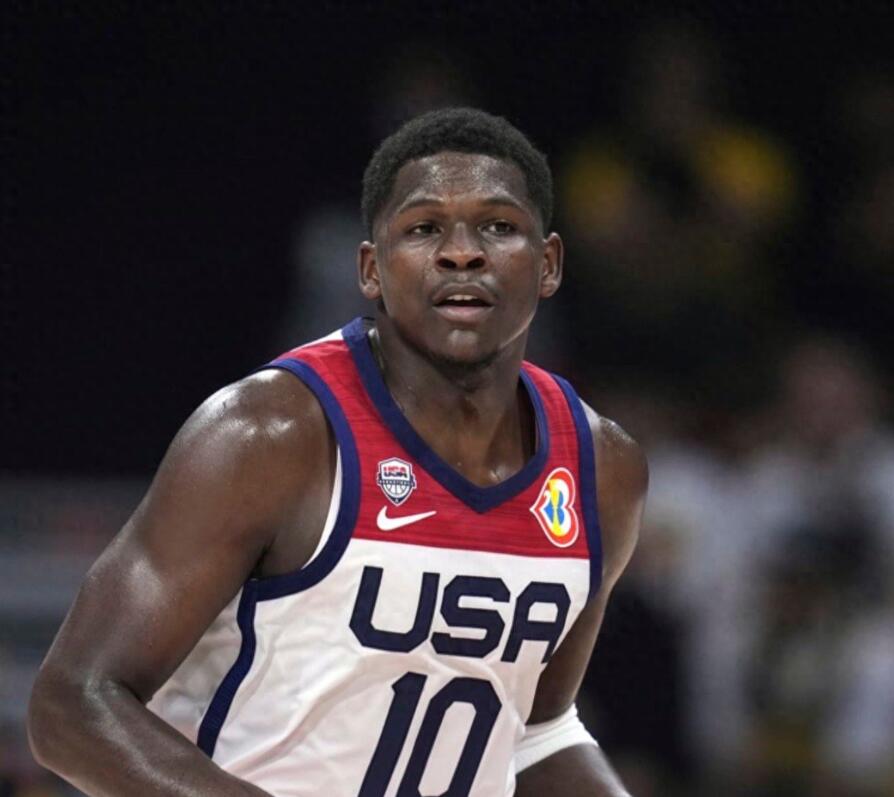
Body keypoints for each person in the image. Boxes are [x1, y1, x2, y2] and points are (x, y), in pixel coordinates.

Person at [28, 108, 648, 797]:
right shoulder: (269, 435)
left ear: (549, 263)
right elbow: (70, 704)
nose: (462, 253)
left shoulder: (601, 470)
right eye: (424, 228)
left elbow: (536, 729)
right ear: (371, 269)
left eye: (498, 226)